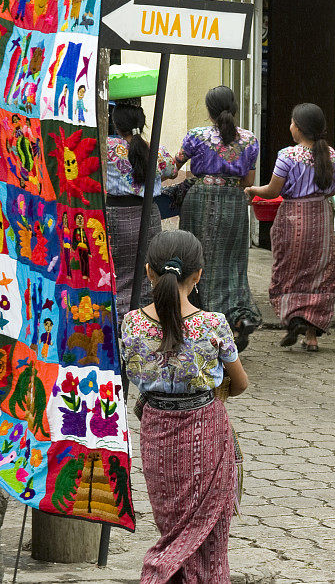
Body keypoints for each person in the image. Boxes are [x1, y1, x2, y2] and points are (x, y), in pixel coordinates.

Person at [121, 229, 248, 583]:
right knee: (206, 533)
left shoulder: (131, 323)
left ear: (148, 272)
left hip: (156, 431)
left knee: (173, 525)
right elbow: (240, 383)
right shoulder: (213, 325)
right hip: (207, 431)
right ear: (198, 276)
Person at [245, 103, 335, 352]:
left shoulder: (287, 156)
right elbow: (331, 190)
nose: (290, 127)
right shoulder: (331, 156)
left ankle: (294, 318)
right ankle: (312, 336)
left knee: (289, 269)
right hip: (321, 218)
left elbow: (273, 190)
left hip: (293, 219)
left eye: (292, 123)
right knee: (320, 273)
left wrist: (253, 190)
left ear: (298, 128)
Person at [175, 85, 261, 351]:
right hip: (234, 202)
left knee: (195, 259)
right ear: (234, 107)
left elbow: (173, 166)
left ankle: (203, 323)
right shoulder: (249, 139)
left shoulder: (196, 136)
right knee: (233, 265)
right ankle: (240, 318)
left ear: (208, 110)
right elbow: (248, 180)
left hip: (199, 199)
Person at [106, 99, 177, 321]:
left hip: (115, 216)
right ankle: (143, 319)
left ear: (115, 124)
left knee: (115, 266)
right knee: (148, 268)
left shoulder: (106, 148)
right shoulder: (155, 149)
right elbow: (172, 171)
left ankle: (117, 318)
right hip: (148, 216)